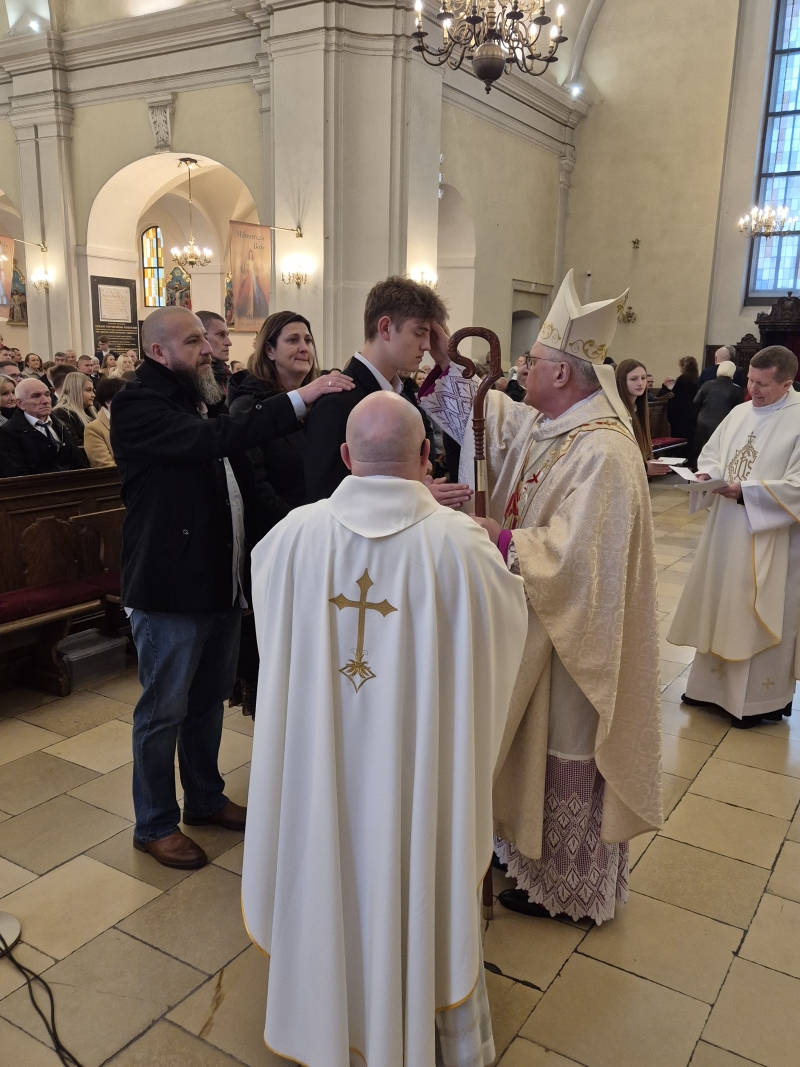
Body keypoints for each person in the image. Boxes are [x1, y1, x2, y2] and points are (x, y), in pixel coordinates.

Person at [242, 391, 527, 1067]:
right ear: (427, 456)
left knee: (324, 865)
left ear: (346, 456)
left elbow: (275, 646)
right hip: (416, 776)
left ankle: (322, 1019)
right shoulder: (461, 547)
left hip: (322, 770)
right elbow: (501, 642)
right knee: (418, 870)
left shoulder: (291, 538)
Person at [419, 268, 662, 924]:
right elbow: (487, 420)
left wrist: (502, 539)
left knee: (564, 737)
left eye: (532, 361)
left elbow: (584, 557)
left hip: (574, 633)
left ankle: (567, 888)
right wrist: (447, 363)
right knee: (528, 738)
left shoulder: (603, 450)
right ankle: (527, 853)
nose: (522, 369)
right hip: (536, 621)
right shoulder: (552, 424)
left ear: (561, 373)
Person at [109, 305, 354, 870]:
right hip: (169, 586)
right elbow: (213, 440)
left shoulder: (200, 395)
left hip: (219, 578)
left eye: (208, 338)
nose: (210, 349)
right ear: (158, 352)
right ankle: (154, 823)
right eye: (194, 341)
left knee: (206, 702)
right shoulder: (138, 404)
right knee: (162, 711)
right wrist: (302, 397)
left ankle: (204, 797)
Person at [668, 346, 800, 727]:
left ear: (786, 384)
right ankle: (708, 689)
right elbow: (713, 454)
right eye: (750, 381)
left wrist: (746, 491)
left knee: (752, 609)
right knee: (719, 601)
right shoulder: (740, 412)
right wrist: (708, 475)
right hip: (726, 530)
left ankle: (756, 702)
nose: (753, 390)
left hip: (770, 537)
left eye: (763, 384)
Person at [304, 275, 473, 510]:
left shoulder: (403, 396)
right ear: (385, 328)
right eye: (419, 333)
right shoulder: (337, 402)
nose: (427, 345)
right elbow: (325, 500)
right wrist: (417, 498)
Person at [227, 310, 321, 715]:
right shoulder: (249, 406)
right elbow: (255, 486)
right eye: (292, 340)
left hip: (314, 540)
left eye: (308, 340)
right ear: (269, 350)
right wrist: (302, 529)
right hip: (275, 543)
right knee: (276, 657)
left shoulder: (319, 404)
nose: (304, 348)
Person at [0, 378, 88, 477]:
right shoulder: (8, 433)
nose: (45, 401)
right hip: (38, 485)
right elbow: (17, 474)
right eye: (36, 396)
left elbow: (78, 460)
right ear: (20, 403)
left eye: (47, 394)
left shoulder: (60, 424)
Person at [616, 359, 670, 477]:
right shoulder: (616, 412)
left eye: (643, 378)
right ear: (621, 381)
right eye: (633, 379)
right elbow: (618, 453)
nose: (640, 383)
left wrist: (647, 461)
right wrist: (644, 467)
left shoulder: (638, 407)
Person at [693, 360, 744, 459]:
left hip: (703, 422)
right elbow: (739, 410)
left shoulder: (707, 385)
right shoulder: (736, 389)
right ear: (733, 372)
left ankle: (697, 467)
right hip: (723, 423)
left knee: (701, 450)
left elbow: (695, 402)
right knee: (718, 452)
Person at [83, 376, 125, 467]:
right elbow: (105, 464)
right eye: (124, 399)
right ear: (109, 402)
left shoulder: (132, 421)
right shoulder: (94, 429)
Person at [662, 355, 699, 450]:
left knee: (679, 439)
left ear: (684, 366)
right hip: (692, 412)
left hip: (680, 413)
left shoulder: (682, 379)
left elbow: (676, 396)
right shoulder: (697, 379)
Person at [52, 371, 96, 451]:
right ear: (75, 391)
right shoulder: (62, 413)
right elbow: (74, 444)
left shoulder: (88, 410)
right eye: (88, 390)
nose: (93, 395)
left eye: (92, 390)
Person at [197, 310, 233, 396]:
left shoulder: (227, 376)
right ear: (202, 336)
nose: (229, 343)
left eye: (227, 335)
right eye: (221, 335)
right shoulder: (195, 383)